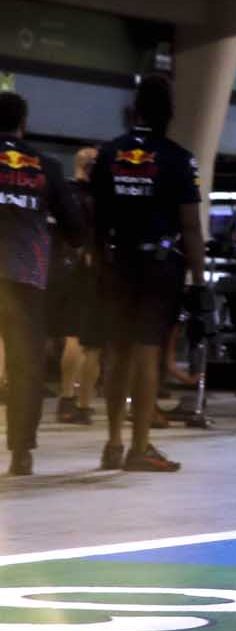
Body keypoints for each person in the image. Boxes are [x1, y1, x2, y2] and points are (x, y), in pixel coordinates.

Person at [91, 75, 207, 473]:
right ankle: (139, 447)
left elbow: (96, 218)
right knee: (146, 353)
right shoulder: (178, 158)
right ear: (168, 114)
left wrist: (99, 263)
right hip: (158, 266)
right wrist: (200, 279)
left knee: (117, 353)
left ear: (134, 109)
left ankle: (112, 442)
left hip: (117, 263)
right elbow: (190, 225)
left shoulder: (108, 154)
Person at [0, 92, 83, 475]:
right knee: (24, 367)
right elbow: (75, 227)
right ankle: (21, 451)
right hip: (26, 280)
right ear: (24, 123)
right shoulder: (46, 167)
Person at [54, 147, 101, 427]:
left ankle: (65, 398)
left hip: (65, 268)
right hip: (92, 270)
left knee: (71, 337)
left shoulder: (65, 193)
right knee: (92, 344)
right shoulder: (102, 197)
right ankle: (84, 404)